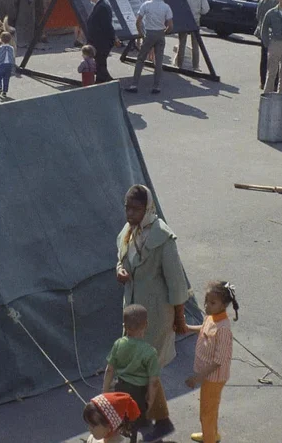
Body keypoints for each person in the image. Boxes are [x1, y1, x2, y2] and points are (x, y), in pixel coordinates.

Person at [115, 184, 188, 441]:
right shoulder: (128, 232)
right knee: (141, 364)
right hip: (133, 312)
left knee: (144, 366)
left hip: (156, 315)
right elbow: (122, 257)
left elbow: (177, 282)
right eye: (127, 207)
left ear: (147, 209)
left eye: (135, 208)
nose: (130, 213)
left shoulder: (162, 238)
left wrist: (179, 319)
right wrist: (119, 270)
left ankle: (144, 418)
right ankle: (154, 417)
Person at [185, 281, 238, 443]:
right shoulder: (212, 317)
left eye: (212, 303)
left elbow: (218, 361)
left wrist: (198, 377)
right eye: (206, 301)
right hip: (208, 377)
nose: (207, 306)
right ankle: (211, 435)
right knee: (210, 409)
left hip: (213, 378)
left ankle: (209, 438)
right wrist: (188, 327)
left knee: (206, 413)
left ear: (224, 305)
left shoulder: (223, 329)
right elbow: (204, 328)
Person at [102, 304, 160, 433]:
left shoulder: (118, 344)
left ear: (124, 326)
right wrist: (151, 400)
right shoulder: (150, 352)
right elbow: (154, 381)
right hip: (138, 393)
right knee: (141, 422)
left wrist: (105, 391)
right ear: (146, 325)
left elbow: (110, 370)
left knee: (118, 419)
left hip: (119, 388)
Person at [125, 0, 173, 95]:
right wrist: (163, 32)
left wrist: (141, 34)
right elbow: (170, 25)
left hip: (149, 32)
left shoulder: (146, 5)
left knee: (141, 58)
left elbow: (138, 21)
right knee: (159, 61)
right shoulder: (166, 7)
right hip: (160, 33)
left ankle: (135, 84)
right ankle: (156, 86)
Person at [176, 0, 210, 70]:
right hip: (195, 20)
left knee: (181, 43)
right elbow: (206, 9)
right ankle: (195, 66)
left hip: (184, 19)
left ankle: (179, 64)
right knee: (195, 44)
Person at [86, 0, 116, 84]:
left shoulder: (102, 6)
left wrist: (113, 38)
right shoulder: (101, 5)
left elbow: (106, 25)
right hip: (99, 40)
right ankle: (104, 79)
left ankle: (103, 81)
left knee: (100, 62)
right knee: (100, 63)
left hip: (101, 41)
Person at [255, 0, 279, 90]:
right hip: (275, 35)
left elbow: (257, 15)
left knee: (264, 58)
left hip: (263, 32)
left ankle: (262, 81)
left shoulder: (263, 0)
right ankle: (274, 83)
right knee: (275, 60)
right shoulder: (278, 3)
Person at [0, 30, 16, 98]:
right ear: (10, 40)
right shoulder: (11, 48)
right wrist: (13, 64)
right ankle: (5, 91)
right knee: (6, 78)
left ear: (0, 39)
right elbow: (13, 56)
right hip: (9, 65)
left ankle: (0, 87)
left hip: (1, 64)